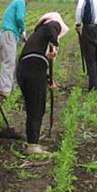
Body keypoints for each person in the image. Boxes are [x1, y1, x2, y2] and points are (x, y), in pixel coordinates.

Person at [17, 12, 69, 155]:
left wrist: (48, 80)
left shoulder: (37, 36)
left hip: (24, 69)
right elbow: (53, 29)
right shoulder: (52, 24)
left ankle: (31, 142)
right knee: (37, 107)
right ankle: (33, 145)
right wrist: (55, 42)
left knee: (32, 107)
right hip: (34, 68)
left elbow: (36, 61)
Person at [0, 0, 32, 98]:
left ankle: (9, 87)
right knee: (9, 62)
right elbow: (19, 19)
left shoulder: (14, 2)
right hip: (9, 33)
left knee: (9, 60)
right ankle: (5, 90)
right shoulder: (21, 2)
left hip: (6, 33)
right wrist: (23, 30)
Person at [75, 0, 97, 91]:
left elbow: (79, 10)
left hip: (89, 29)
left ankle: (94, 86)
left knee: (90, 57)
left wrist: (78, 24)